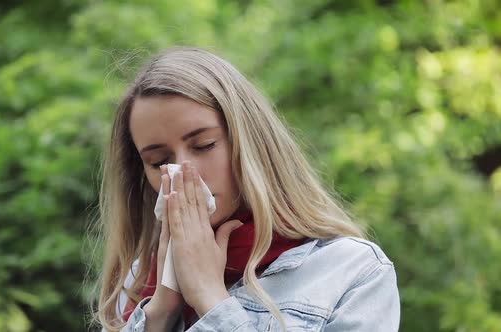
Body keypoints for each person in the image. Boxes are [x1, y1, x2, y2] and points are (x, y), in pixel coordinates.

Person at [91, 47, 400, 331]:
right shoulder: (138, 281)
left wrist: (210, 298)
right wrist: (160, 310)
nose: (185, 172)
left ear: (249, 141)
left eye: (204, 145)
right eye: (159, 161)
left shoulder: (351, 272)